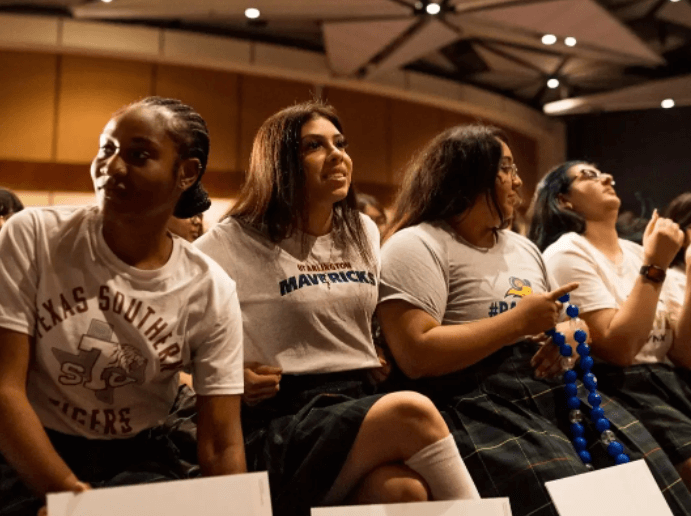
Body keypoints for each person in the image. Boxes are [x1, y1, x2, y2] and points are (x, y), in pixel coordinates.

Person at [376, 127, 691, 516]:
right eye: (505, 169)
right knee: (573, 497)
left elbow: (568, 321)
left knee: (652, 485)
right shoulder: (415, 244)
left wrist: (572, 335)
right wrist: (514, 323)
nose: (518, 180)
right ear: (467, 173)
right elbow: (415, 354)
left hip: (553, 384)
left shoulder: (522, 247)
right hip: (477, 397)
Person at [195, 101, 479, 516]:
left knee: (403, 493)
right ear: (280, 163)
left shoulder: (362, 230)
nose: (337, 155)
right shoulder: (227, 242)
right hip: (282, 419)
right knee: (412, 411)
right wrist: (229, 373)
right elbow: (176, 346)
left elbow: (359, 316)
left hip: (357, 399)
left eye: (340, 143)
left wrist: (370, 345)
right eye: (315, 146)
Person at [0, 97, 246, 516]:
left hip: (138, 459)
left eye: (138, 155)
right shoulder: (33, 235)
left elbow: (221, 443)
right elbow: (5, 389)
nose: (111, 167)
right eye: (106, 149)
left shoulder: (210, 288)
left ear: (186, 172)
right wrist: (69, 497)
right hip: (28, 449)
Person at [530, 161, 691, 495]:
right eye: (588, 175)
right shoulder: (567, 252)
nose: (605, 177)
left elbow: (683, 352)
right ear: (563, 201)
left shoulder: (636, 252)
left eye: (605, 174)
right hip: (621, 385)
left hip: (671, 379)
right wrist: (657, 265)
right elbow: (618, 348)